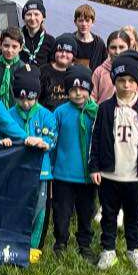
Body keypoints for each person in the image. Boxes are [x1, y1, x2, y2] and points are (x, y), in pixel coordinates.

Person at [89, 52, 138, 272]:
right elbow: (96, 138)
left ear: (137, 82)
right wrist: (95, 166)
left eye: (131, 81)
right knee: (108, 213)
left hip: (135, 174)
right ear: (114, 82)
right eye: (121, 81)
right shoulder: (105, 109)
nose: (126, 85)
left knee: (133, 214)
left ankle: (133, 248)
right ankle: (108, 250)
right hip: (110, 174)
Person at [8, 66, 56, 264]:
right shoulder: (9, 114)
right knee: (16, 206)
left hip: (41, 172)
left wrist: (43, 142)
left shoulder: (46, 115)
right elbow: (5, 135)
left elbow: (52, 138)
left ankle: (33, 246)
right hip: (16, 171)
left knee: (39, 208)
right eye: (21, 98)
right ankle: (14, 242)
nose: (26, 103)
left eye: (30, 98)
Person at [51, 65, 98, 260]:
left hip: (87, 175)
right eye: (73, 89)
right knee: (62, 211)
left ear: (90, 89)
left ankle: (84, 243)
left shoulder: (97, 112)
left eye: (82, 89)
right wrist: (52, 168)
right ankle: (60, 241)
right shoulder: (60, 112)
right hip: (63, 174)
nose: (78, 93)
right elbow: (52, 141)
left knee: (86, 211)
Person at [39, 34, 76, 110]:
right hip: (46, 116)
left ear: (73, 55)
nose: (63, 54)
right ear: (54, 52)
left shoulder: (76, 73)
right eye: (60, 50)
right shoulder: (43, 71)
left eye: (68, 51)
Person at [19, 0, 56, 67]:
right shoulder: (16, 38)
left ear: (43, 18)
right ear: (23, 18)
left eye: (36, 14)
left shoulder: (50, 41)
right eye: (29, 14)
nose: (32, 18)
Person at [72, 4, 107, 72]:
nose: (84, 24)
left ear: (93, 22)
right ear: (75, 22)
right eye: (81, 20)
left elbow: (104, 67)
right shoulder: (70, 40)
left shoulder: (99, 44)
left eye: (87, 21)